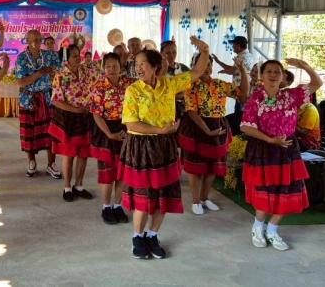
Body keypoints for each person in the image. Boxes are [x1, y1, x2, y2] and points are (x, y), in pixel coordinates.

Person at [120, 37, 210, 259]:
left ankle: (152, 235)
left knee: (163, 195)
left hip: (165, 146)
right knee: (143, 198)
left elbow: (197, 72)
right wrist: (160, 130)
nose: (138, 68)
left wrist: (205, 51)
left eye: (143, 64)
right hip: (141, 147)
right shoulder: (133, 90)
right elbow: (131, 124)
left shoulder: (169, 84)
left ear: (155, 66)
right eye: (136, 64)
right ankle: (137, 237)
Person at [240, 58, 323, 251]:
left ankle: (272, 230)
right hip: (263, 148)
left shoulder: (291, 95)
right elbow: (245, 126)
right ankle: (257, 228)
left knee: (288, 190)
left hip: (287, 148)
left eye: (277, 71)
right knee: (265, 190)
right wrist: (270, 140)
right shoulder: (255, 98)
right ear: (262, 76)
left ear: (283, 76)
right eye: (268, 71)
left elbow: (317, 83)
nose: (273, 75)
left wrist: (305, 67)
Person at [178, 53, 248, 215]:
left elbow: (243, 93)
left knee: (212, 166)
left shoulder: (218, 84)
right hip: (197, 127)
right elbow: (192, 112)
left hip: (218, 126)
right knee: (196, 167)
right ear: (195, 67)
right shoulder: (190, 85)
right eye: (203, 64)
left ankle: (204, 198)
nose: (207, 67)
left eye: (209, 64)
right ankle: (196, 201)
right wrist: (207, 131)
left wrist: (242, 70)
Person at [49, 45, 98, 202]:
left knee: (84, 154)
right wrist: (76, 110)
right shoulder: (61, 75)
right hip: (69, 117)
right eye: (74, 55)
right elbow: (56, 100)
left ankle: (79, 185)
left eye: (78, 54)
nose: (78, 58)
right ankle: (67, 187)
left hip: (86, 117)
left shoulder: (87, 71)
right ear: (67, 58)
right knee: (69, 154)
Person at [90, 53, 133, 224]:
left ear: (120, 67)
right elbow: (96, 115)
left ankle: (118, 205)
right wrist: (109, 134)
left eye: (115, 66)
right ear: (103, 68)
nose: (112, 69)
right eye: (108, 66)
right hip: (106, 131)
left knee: (121, 173)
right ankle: (106, 207)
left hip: (125, 129)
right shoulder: (99, 87)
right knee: (107, 174)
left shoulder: (128, 84)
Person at [15, 29, 62, 178]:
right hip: (27, 100)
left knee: (50, 133)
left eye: (39, 39)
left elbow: (60, 71)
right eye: (34, 39)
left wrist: (53, 73)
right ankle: (31, 162)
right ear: (27, 41)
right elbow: (21, 82)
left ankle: (51, 164)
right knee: (28, 134)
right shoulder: (22, 58)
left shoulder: (49, 55)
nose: (37, 42)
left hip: (46, 99)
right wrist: (41, 72)